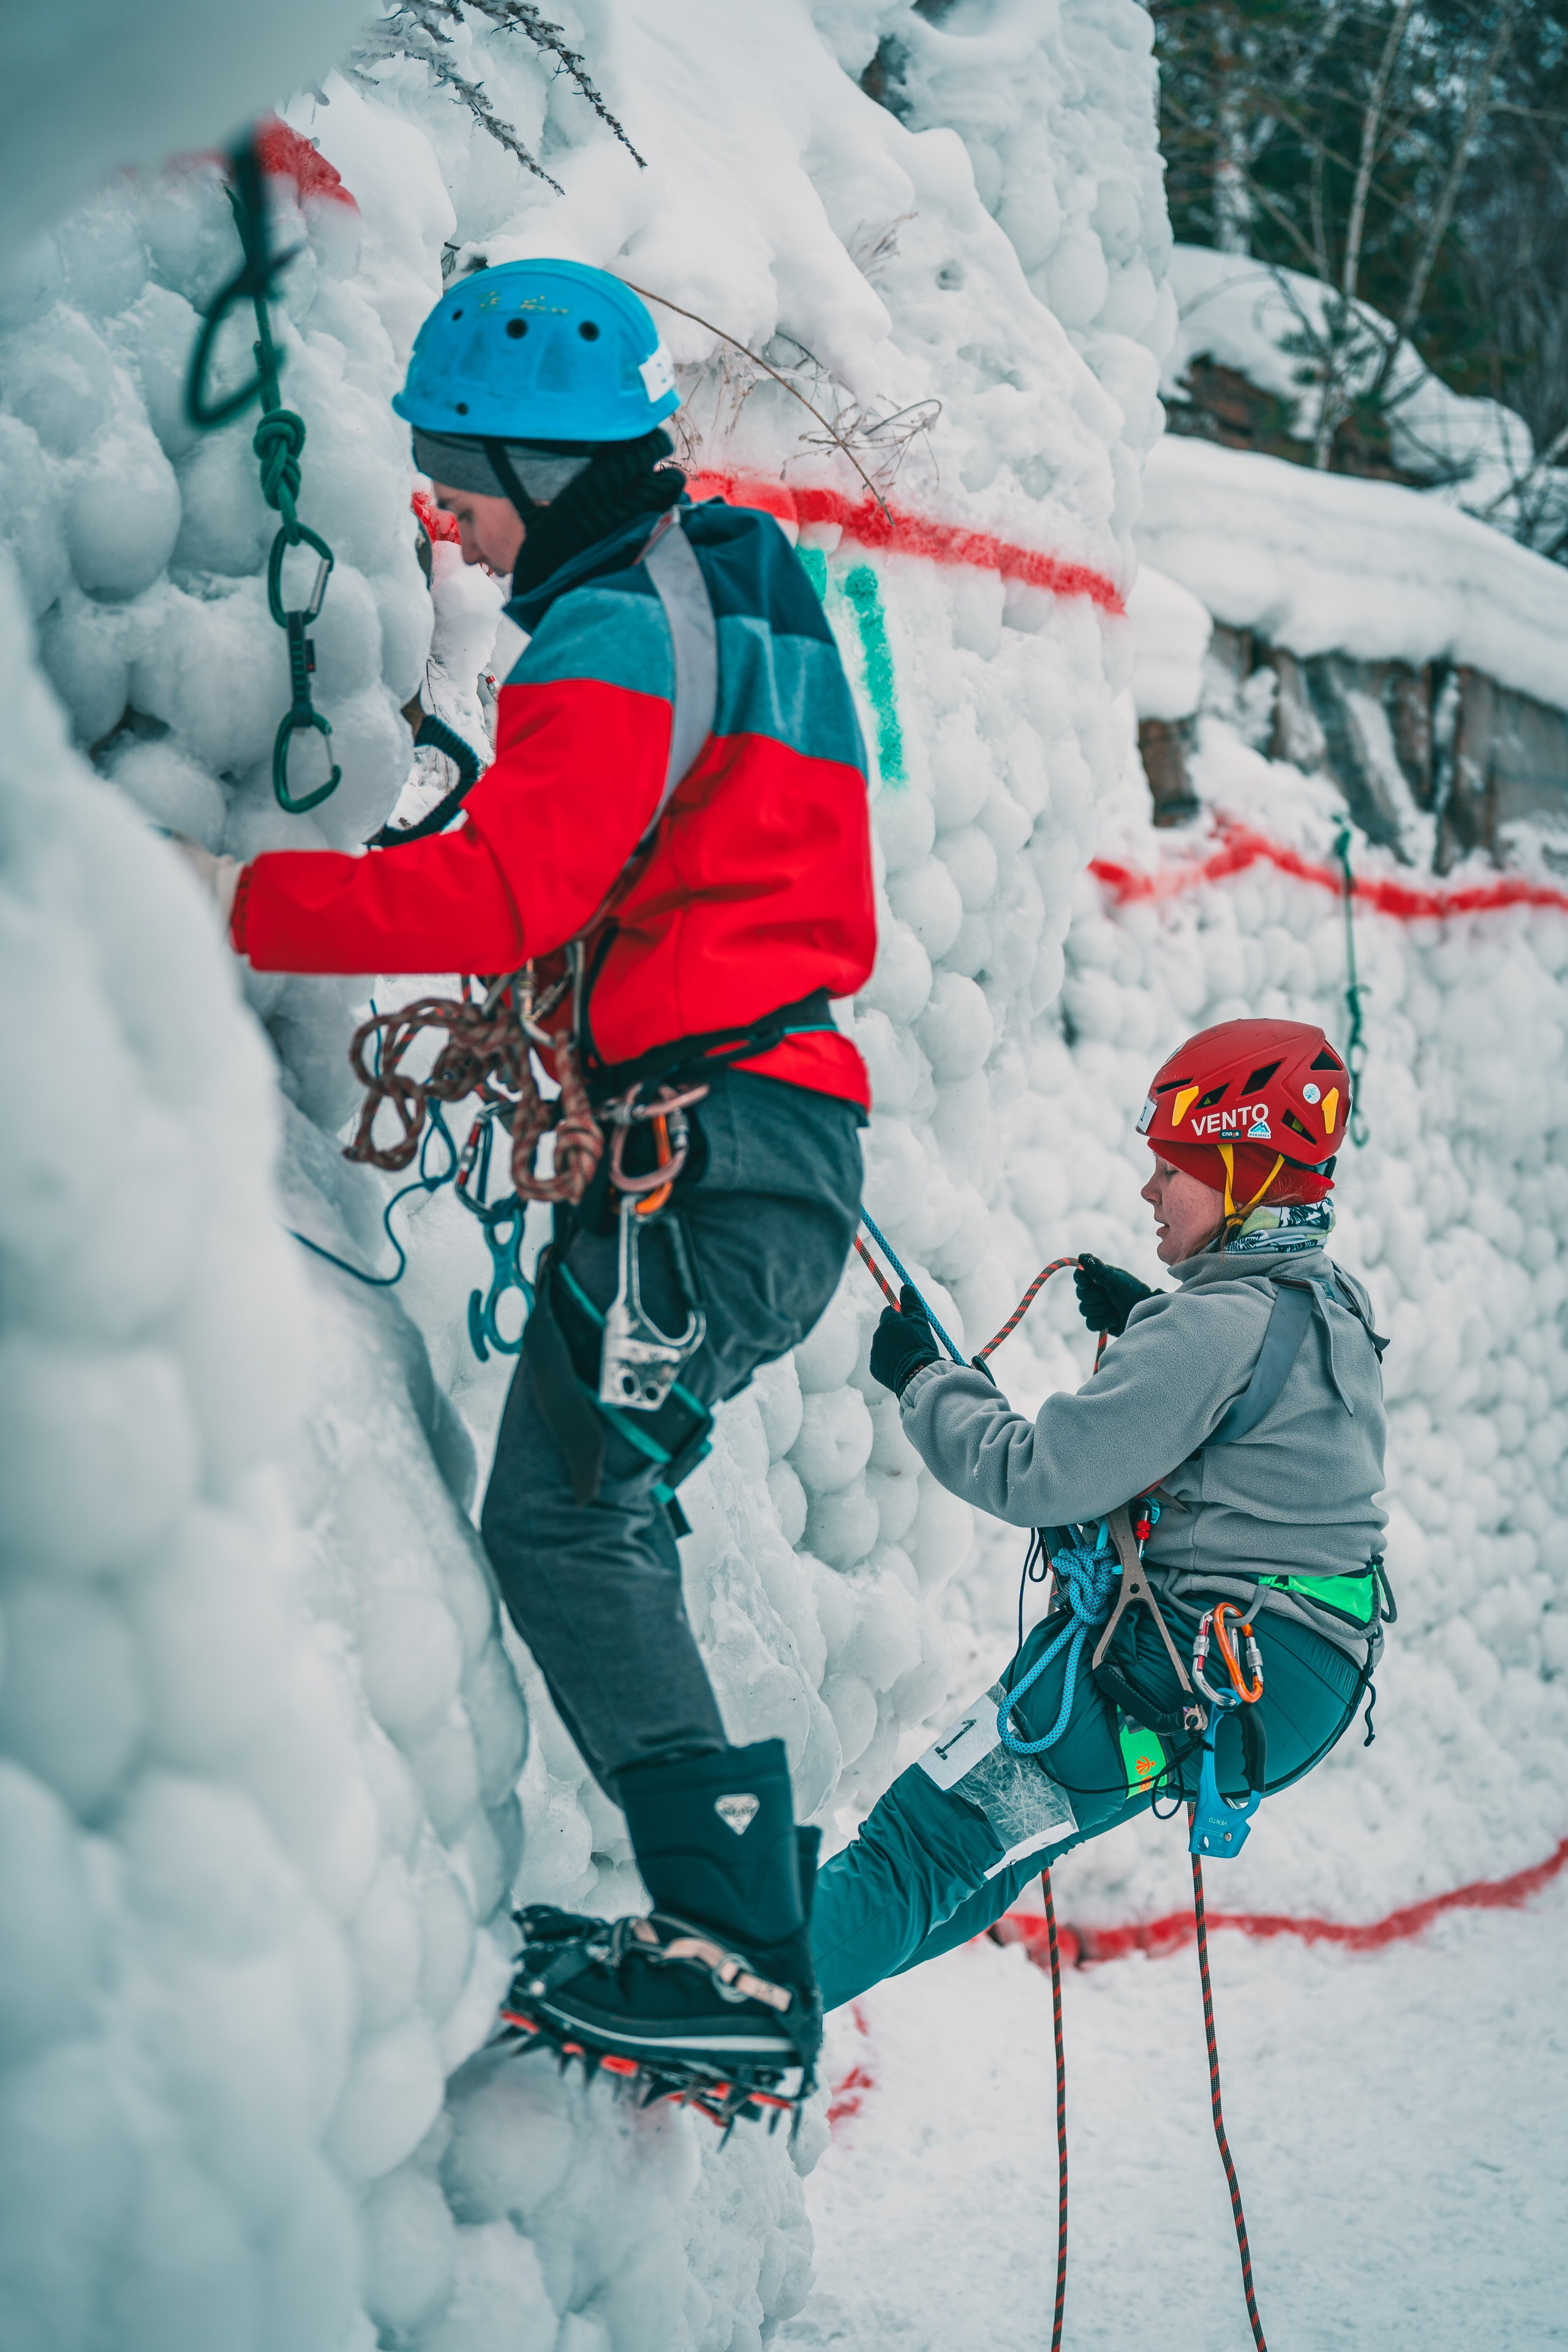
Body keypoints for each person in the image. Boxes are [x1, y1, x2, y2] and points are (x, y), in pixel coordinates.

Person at [185, 259, 876, 2114]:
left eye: (458, 486)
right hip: (762, 1141)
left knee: (570, 1525)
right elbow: (683, 838)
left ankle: (735, 1957)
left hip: (710, 1157)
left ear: (537, 465)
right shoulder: (730, 581)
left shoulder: (611, 633)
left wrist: (236, 897)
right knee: (596, 1510)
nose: (449, 526)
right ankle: (730, 1929)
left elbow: (510, 894)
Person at [809, 1017, 1391, 2013]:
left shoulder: (1211, 1327)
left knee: (920, 1847)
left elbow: (1036, 1474)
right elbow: (1249, 1428)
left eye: (1172, 1169)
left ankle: (703, 2001)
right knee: (968, 1854)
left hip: (1192, 1664)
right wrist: (1141, 1324)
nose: (1149, 1192)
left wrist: (926, 1382)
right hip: (1295, 1674)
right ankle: (750, 2005)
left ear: (1243, 1176)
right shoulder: (1325, 1299)